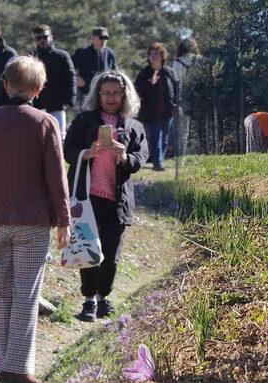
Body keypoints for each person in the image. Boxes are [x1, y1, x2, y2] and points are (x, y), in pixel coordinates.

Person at [0, 56, 70, 383]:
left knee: (3, 293)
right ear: (39, 89)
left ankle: (4, 360)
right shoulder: (45, 123)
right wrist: (63, 219)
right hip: (34, 222)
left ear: (4, 84)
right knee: (27, 292)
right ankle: (17, 368)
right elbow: (56, 176)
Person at [63, 70, 149, 322]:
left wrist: (124, 157)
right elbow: (68, 152)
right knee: (90, 249)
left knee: (111, 254)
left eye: (116, 93)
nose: (111, 98)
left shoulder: (134, 126)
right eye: (106, 93)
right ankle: (88, 301)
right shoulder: (84, 121)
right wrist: (87, 153)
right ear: (97, 95)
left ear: (125, 95)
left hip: (117, 201)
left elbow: (140, 158)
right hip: (87, 197)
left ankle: (103, 299)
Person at [134, 42, 177, 171]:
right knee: (155, 138)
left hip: (167, 112)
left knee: (164, 139)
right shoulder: (144, 73)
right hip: (150, 112)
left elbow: (177, 89)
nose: (153, 57)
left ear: (162, 56)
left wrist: (177, 104)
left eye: (156, 54)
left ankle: (159, 161)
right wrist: (150, 83)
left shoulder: (169, 72)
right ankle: (158, 164)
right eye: (151, 54)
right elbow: (137, 90)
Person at [32, 24, 75, 137]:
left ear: (51, 36)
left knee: (59, 137)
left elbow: (71, 78)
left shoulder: (62, 56)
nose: (42, 40)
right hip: (37, 107)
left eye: (45, 37)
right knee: (38, 139)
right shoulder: (32, 57)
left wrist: (69, 100)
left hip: (57, 106)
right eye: (38, 38)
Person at [72, 27, 117, 113]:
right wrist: (75, 77)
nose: (103, 41)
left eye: (105, 39)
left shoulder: (109, 53)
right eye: (101, 38)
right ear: (93, 38)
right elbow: (68, 69)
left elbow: (115, 72)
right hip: (86, 95)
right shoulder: (82, 53)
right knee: (85, 123)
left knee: (104, 124)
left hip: (105, 97)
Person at [170, 37, 199, 160]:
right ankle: (192, 155)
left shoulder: (177, 63)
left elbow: (175, 82)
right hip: (195, 98)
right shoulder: (196, 60)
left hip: (182, 98)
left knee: (181, 129)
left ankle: (180, 156)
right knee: (192, 129)